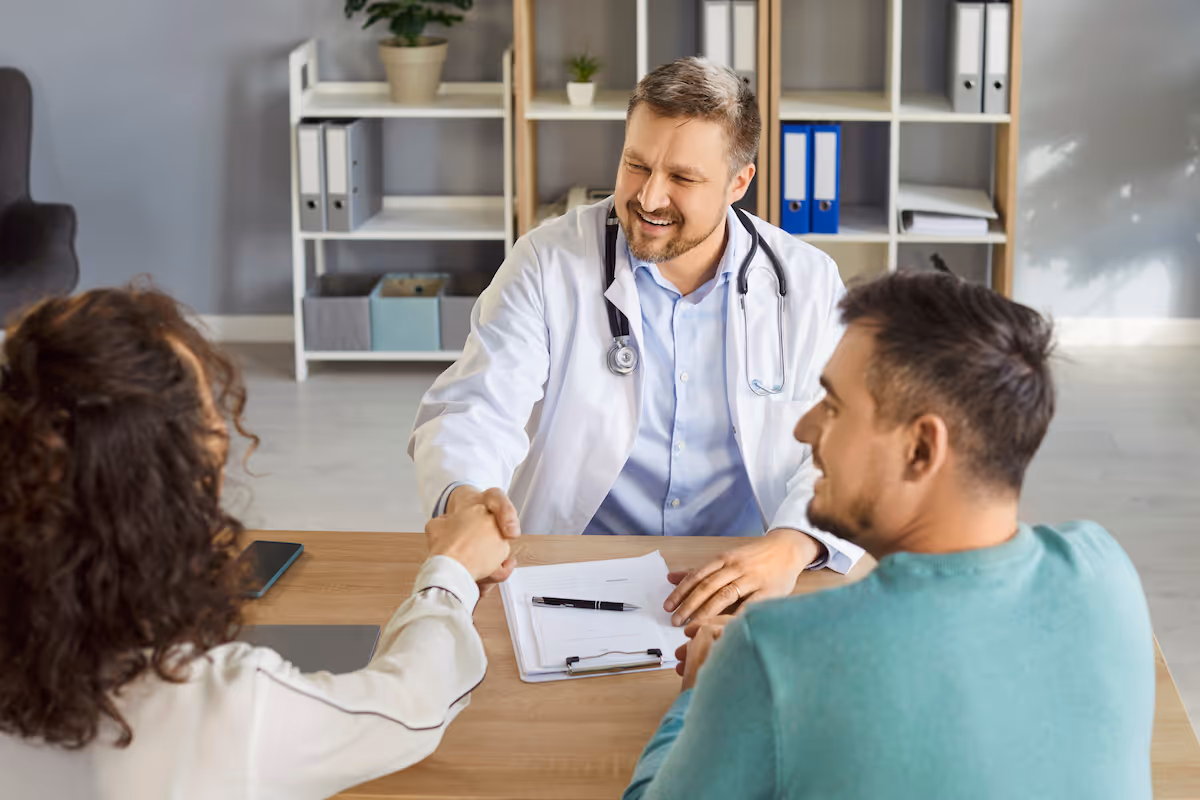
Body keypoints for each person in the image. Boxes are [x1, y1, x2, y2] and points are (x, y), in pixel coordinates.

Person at [623, 271, 1156, 799]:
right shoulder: (1106, 568)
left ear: (921, 449)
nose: (803, 429)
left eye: (832, 406)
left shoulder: (775, 651)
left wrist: (699, 697)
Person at [0, 287, 514, 800]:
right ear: (170, 491)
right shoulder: (219, 715)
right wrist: (452, 571)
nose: (223, 436)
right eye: (209, 427)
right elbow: (408, 706)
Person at [409, 57, 863, 626]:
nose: (648, 198)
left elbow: (854, 444)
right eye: (636, 165)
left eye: (682, 178)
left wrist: (794, 544)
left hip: (743, 577)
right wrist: (469, 500)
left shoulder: (808, 283)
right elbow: (477, 406)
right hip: (574, 572)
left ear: (738, 183)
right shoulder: (548, 263)